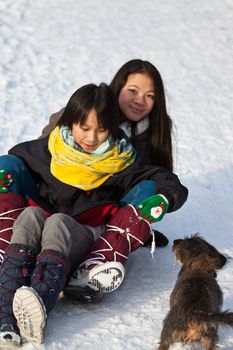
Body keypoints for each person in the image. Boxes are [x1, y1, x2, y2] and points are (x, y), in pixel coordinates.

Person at [0, 82, 188, 347]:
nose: (91, 138)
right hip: (38, 234)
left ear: (111, 129)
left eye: (101, 130)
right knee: (22, 198)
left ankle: (86, 271)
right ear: (70, 123)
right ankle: (6, 287)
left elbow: (163, 180)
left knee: (59, 221)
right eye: (84, 128)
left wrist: (165, 198)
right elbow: (12, 162)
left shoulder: (119, 160)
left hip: (81, 239)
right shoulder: (48, 150)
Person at [40, 59, 174, 247]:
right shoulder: (86, 111)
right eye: (133, 91)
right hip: (65, 197)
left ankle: (120, 236)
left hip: (109, 208)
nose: (140, 100)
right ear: (118, 87)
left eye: (150, 95)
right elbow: (45, 153)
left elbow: (151, 177)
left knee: (148, 186)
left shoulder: (152, 131)